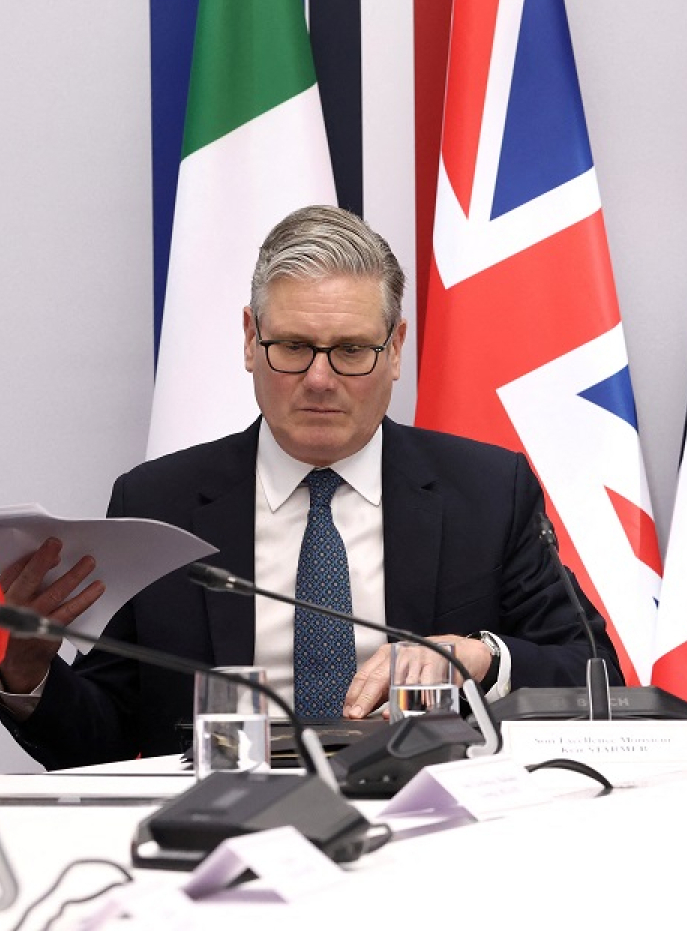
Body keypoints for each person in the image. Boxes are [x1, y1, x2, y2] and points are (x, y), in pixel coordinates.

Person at [0, 205, 619, 769]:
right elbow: (102, 740)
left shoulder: (486, 490)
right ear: (250, 339)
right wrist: (31, 675)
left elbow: (595, 676)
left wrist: (475, 655)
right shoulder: (158, 503)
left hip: (434, 824)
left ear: (396, 348)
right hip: (220, 829)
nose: (320, 380)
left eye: (352, 350)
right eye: (293, 347)